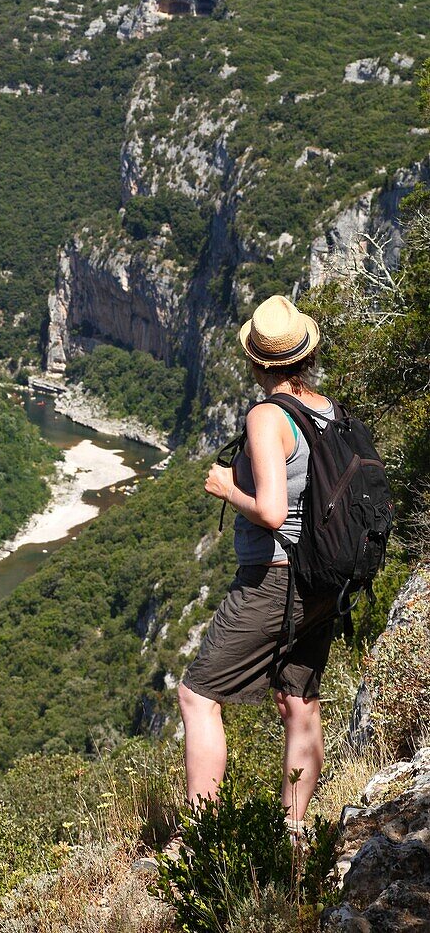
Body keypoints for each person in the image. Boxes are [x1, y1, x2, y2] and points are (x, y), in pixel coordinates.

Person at [177, 294, 338, 835]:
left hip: (274, 578)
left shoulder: (266, 416)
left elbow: (271, 510)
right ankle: (293, 832)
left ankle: (203, 844)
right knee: (298, 701)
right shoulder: (324, 408)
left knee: (197, 695)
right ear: (304, 356)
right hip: (322, 579)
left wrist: (227, 487)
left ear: (255, 360)